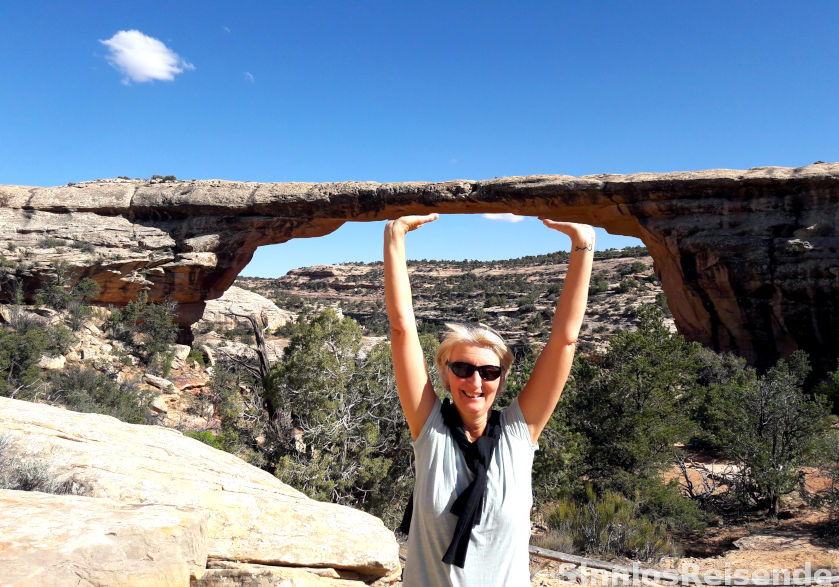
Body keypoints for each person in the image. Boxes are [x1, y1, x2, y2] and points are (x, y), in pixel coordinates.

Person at [384, 213, 595, 586]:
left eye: (489, 372)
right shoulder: (430, 429)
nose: (475, 381)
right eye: (462, 368)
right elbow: (402, 330)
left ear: (502, 377)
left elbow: (564, 340)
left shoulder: (518, 433)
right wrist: (394, 236)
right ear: (445, 373)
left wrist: (583, 245)